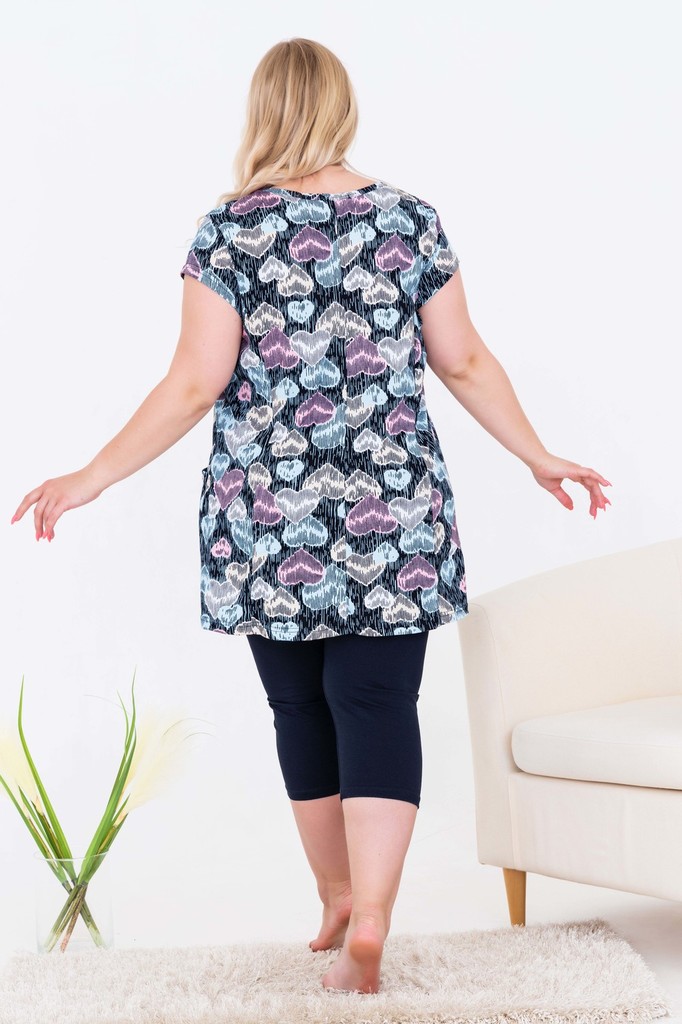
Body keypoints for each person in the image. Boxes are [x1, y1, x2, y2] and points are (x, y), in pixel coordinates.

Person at [10, 37, 611, 995]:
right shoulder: (408, 219)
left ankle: (336, 894)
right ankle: (366, 915)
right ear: (342, 106)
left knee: (299, 707)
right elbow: (462, 360)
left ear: (264, 110)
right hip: (394, 507)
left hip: (266, 515)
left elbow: (194, 382)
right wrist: (537, 454)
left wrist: (93, 476)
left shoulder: (229, 233)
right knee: (377, 704)